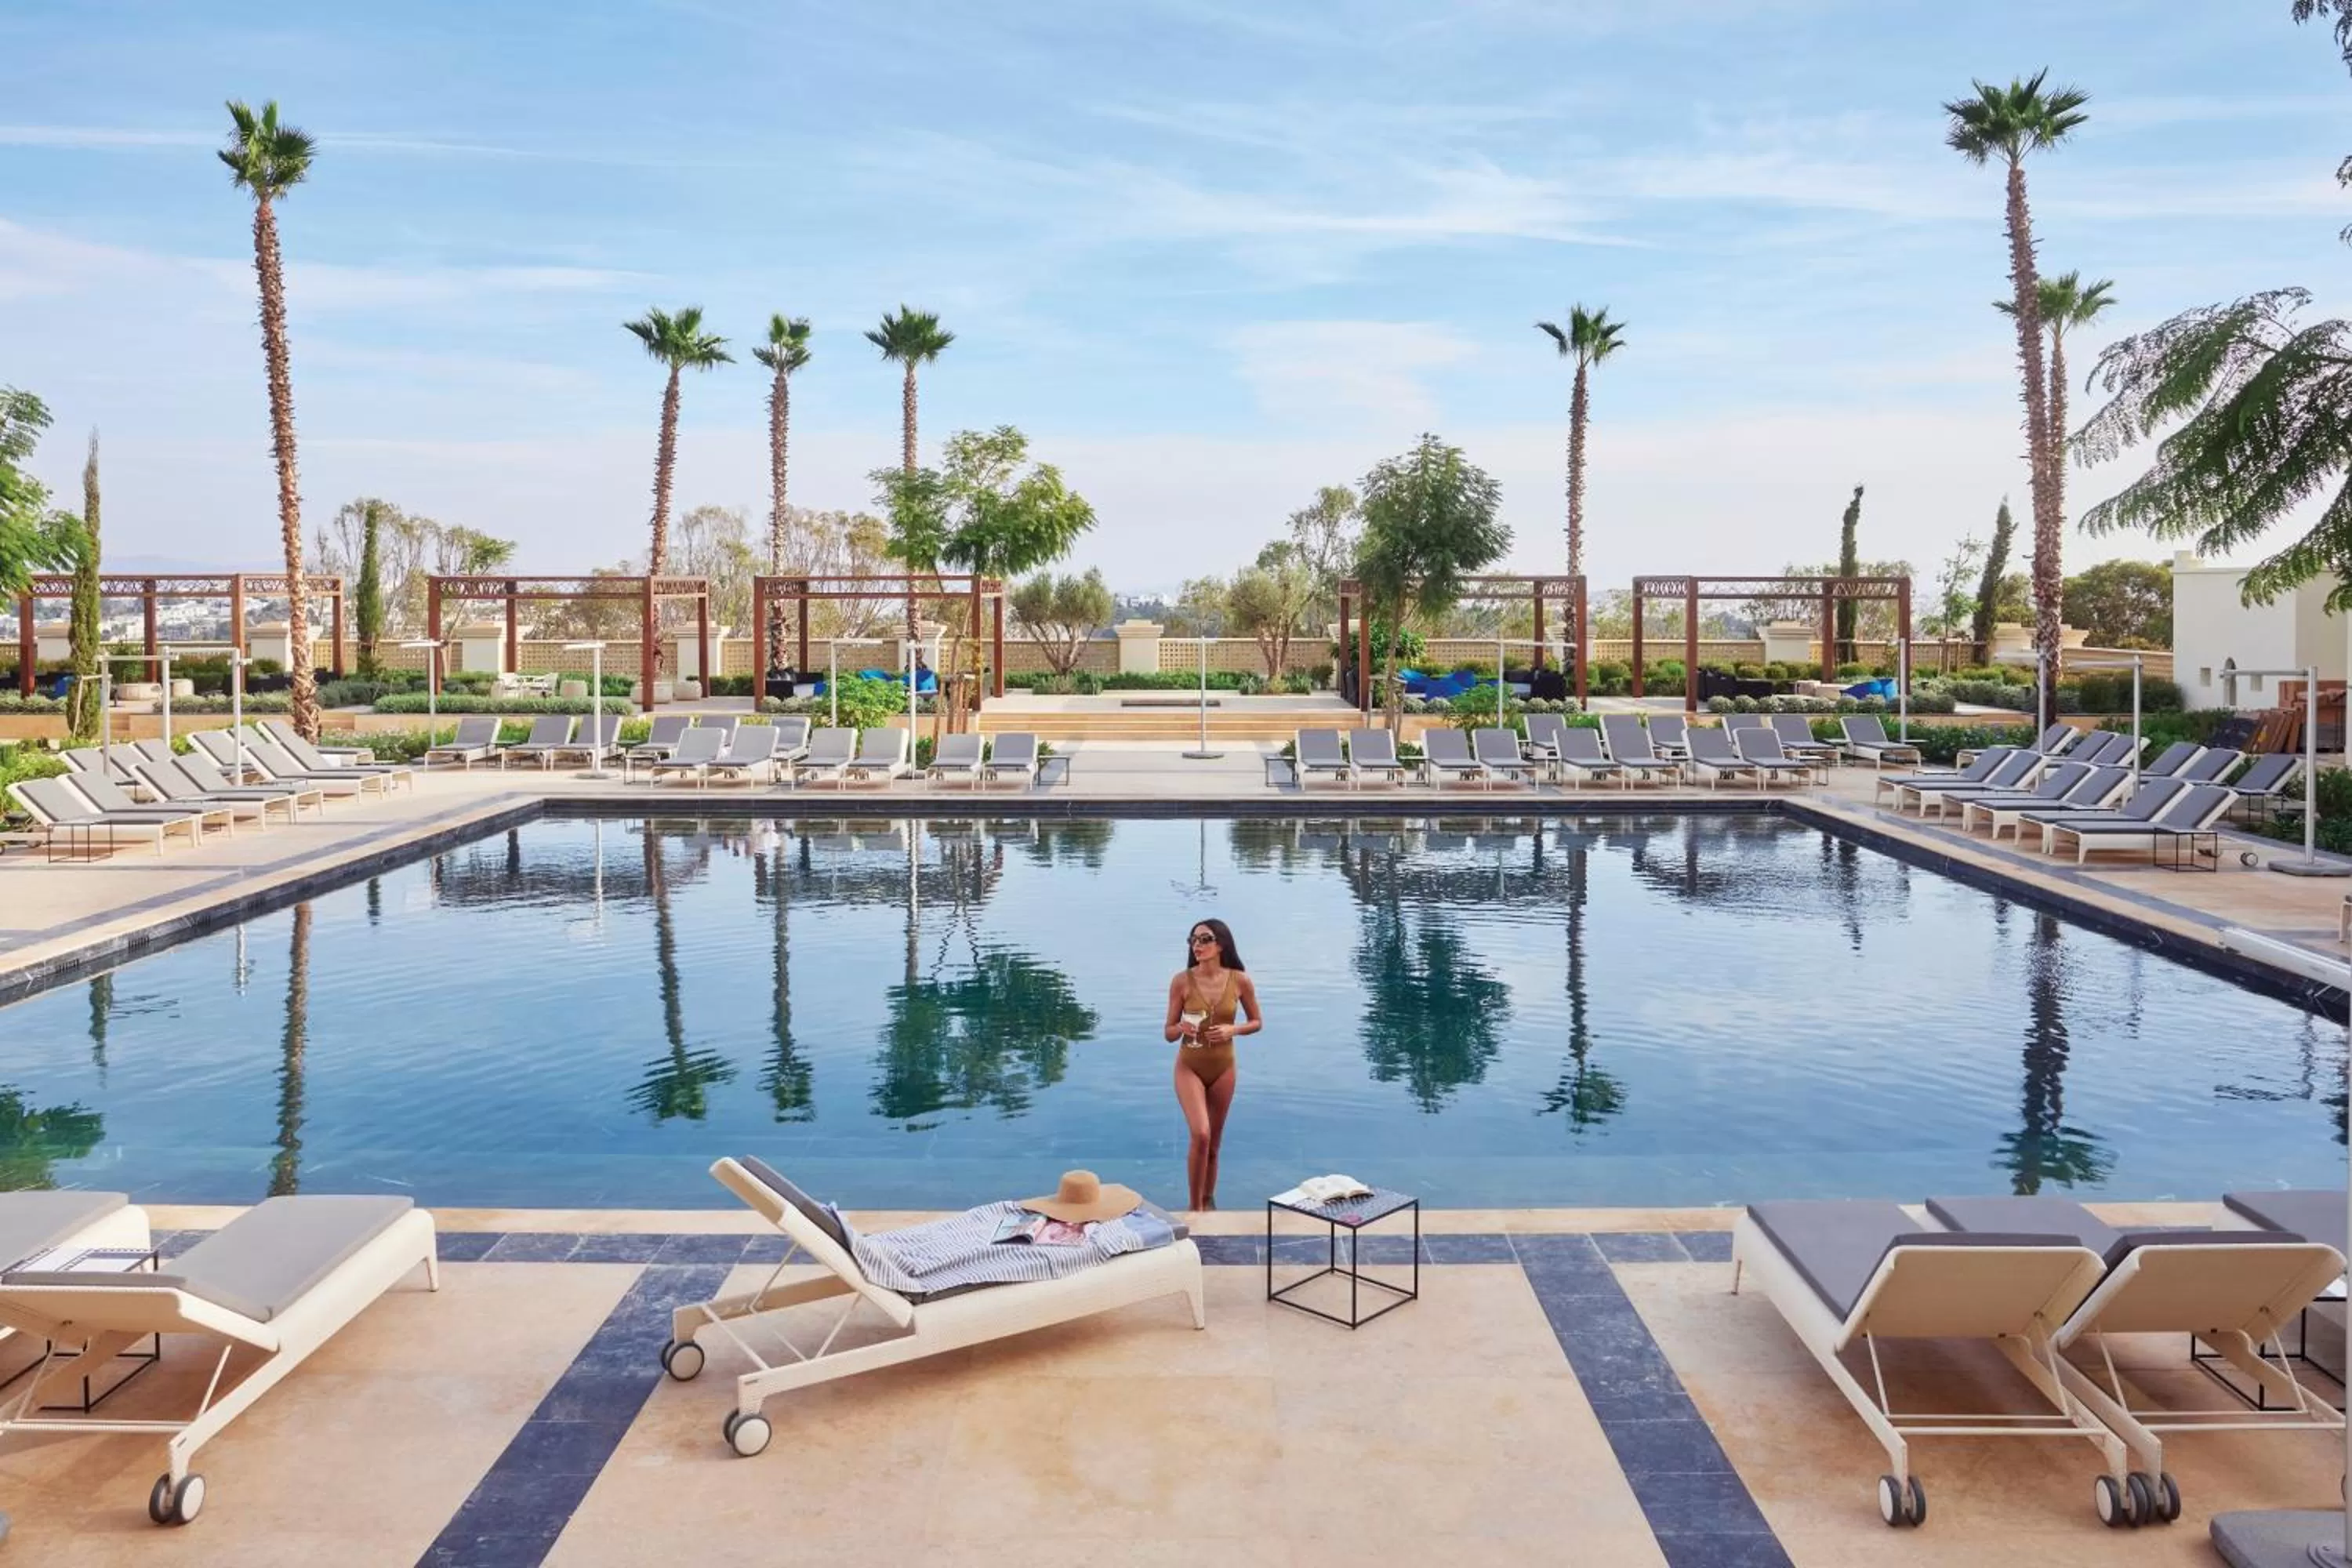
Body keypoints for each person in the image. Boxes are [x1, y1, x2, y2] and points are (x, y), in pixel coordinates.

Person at [1163, 918, 1261, 1210]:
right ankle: (1194, 1210)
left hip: (1224, 1068)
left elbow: (1257, 1022)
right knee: (1201, 1134)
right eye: (1193, 940)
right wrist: (1181, 1027)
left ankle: (1209, 1203)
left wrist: (1234, 1030)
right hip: (1189, 1067)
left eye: (1204, 939)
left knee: (1214, 1146)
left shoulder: (1240, 980)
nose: (1197, 945)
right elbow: (1168, 1033)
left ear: (1221, 944)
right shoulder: (1182, 981)